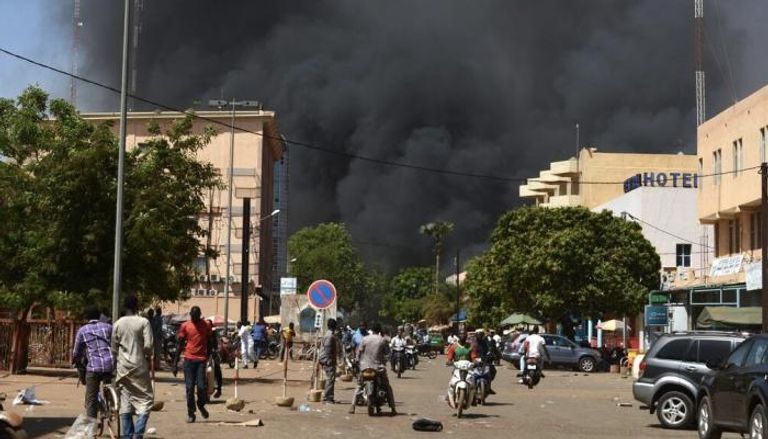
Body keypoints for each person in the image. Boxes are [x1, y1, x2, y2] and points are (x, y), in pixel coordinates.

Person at [112, 295, 154, 439]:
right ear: (137, 306)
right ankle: (138, 433)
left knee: (125, 401)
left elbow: (113, 348)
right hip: (139, 366)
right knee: (146, 399)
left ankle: (127, 436)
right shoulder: (144, 322)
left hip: (123, 367)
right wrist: (146, 354)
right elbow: (148, 346)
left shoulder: (118, 323)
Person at [72, 305, 115, 420]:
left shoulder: (83, 330)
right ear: (99, 316)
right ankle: (110, 402)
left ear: (86, 317)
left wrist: (76, 361)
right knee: (107, 380)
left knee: (90, 400)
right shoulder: (108, 327)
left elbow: (76, 352)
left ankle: (92, 429)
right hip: (110, 364)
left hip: (94, 367)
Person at [349, 323, 396, 415]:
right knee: (387, 386)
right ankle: (393, 408)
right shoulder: (382, 340)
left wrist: (358, 361)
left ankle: (352, 406)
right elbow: (388, 354)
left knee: (359, 386)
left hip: (364, 367)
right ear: (379, 331)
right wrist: (384, 361)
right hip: (378, 368)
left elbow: (358, 352)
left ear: (372, 330)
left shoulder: (365, 339)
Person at [177, 307, 212, 423]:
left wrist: (211, 355)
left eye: (196, 316)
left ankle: (201, 405)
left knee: (202, 386)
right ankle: (191, 413)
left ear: (200, 315)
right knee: (189, 388)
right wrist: (175, 362)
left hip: (201, 360)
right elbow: (180, 344)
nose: (194, 319)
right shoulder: (185, 326)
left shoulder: (206, 325)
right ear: (190, 315)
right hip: (189, 360)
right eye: (192, 316)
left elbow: (210, 340)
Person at [319, 318, 341, 404]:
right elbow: (328, 350)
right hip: (328, 360)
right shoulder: (330, 336)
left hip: (328, 359)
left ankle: (330, 397)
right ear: (335, 326)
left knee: (330, 378)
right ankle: (327, 398)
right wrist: (329, 361)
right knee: (330, 379)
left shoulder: (329, 334)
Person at [206, 319, 223, 399]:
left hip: (212, 354)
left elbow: (218, 344)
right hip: (203, 355)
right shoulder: (202, 332)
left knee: (217, 369)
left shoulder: (214, 333)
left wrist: (216, 350)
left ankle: (219, 388)